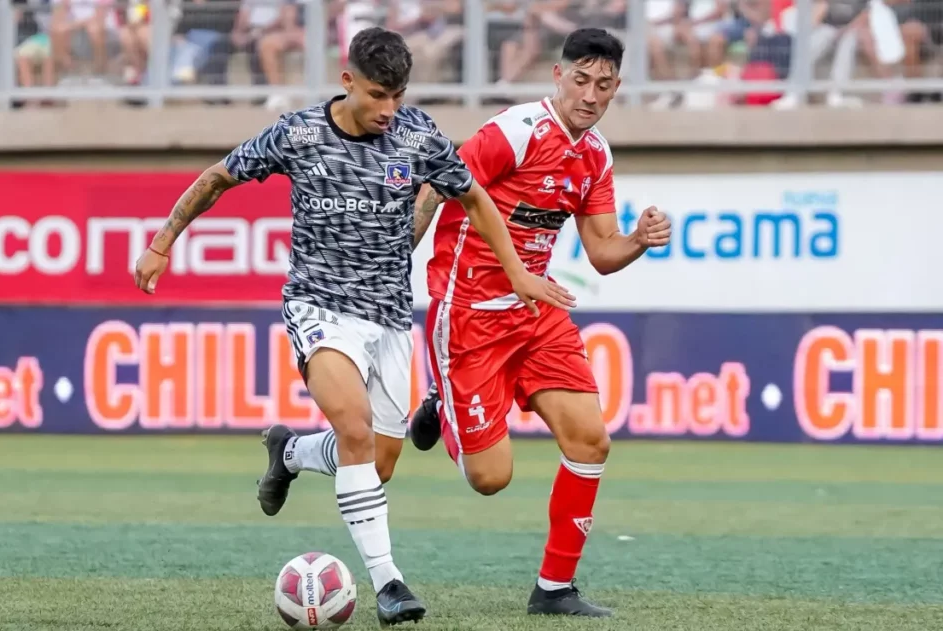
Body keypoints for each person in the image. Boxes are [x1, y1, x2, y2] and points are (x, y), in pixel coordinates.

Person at [132, 26, 574, 627]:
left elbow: (473, 198)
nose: (389, 109)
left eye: (398, 95)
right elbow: (217, 178)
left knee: (378, 461)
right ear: (348, 82)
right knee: (358, 433)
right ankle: (389, 583)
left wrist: (518, 272)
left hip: (390, 316)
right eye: (377, 96)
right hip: (319, 307)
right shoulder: (300, 134)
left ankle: (290, 452)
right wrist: (162, 242)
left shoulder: (417, 135)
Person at [407, 27, 672, 618]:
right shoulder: (515, 132)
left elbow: (602, 251)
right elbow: (438, 184)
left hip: (537, 309)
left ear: (615, 88)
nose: (590, 93)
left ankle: (554, 589)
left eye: (603, 85)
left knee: (591, 438)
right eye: (581, 79)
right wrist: (398, 255)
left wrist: (638, 240)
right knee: (490, 478)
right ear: (559, 75)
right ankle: (442, 404)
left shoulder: (595, 155)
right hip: (470, 307)